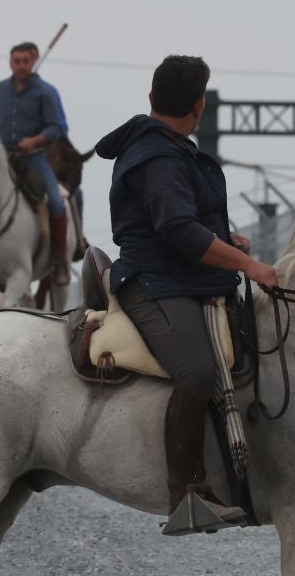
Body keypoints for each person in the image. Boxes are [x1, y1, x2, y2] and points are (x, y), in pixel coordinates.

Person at [93, 55, 276, 536]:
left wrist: (223, 237)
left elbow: (185, 220)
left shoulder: (169, 148)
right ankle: (185, 494)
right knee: (197, 373)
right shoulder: (160, 156)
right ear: (198, 107)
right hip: (155, 282)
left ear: (152, 98)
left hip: (185, 277)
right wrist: (248, 265)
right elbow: (176, 229)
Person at [0, 41, 72, 284]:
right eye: (16, 61)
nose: (20, 66)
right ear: (10, 63)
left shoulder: (46, 92)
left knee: (55, 200)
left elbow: (58, 127)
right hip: (2, 158)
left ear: (33, 61)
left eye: (25, 61)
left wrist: (35, 140)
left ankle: (60, 260)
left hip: (32, 159)